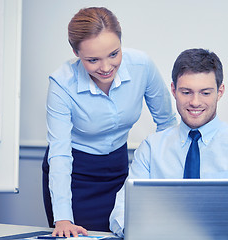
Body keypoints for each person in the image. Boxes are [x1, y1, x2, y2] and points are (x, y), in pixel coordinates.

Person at [109, 48, 228, 239]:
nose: (195, 102)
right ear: (174, 90)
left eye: (205, 93)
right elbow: (121, 211)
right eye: (186, 92)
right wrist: (136, 231)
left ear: (220, 91)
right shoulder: (152, 147)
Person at [42, 7, 177, 237]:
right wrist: (63, 218)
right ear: (75, 52)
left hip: (118, 170)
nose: (105, 68)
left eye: (114, 54)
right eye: (93, 60)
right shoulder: (62, 83)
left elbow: (167, 124)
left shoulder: (142, 66)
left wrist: (169, 183)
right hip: (75, 175)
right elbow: (60, 154)